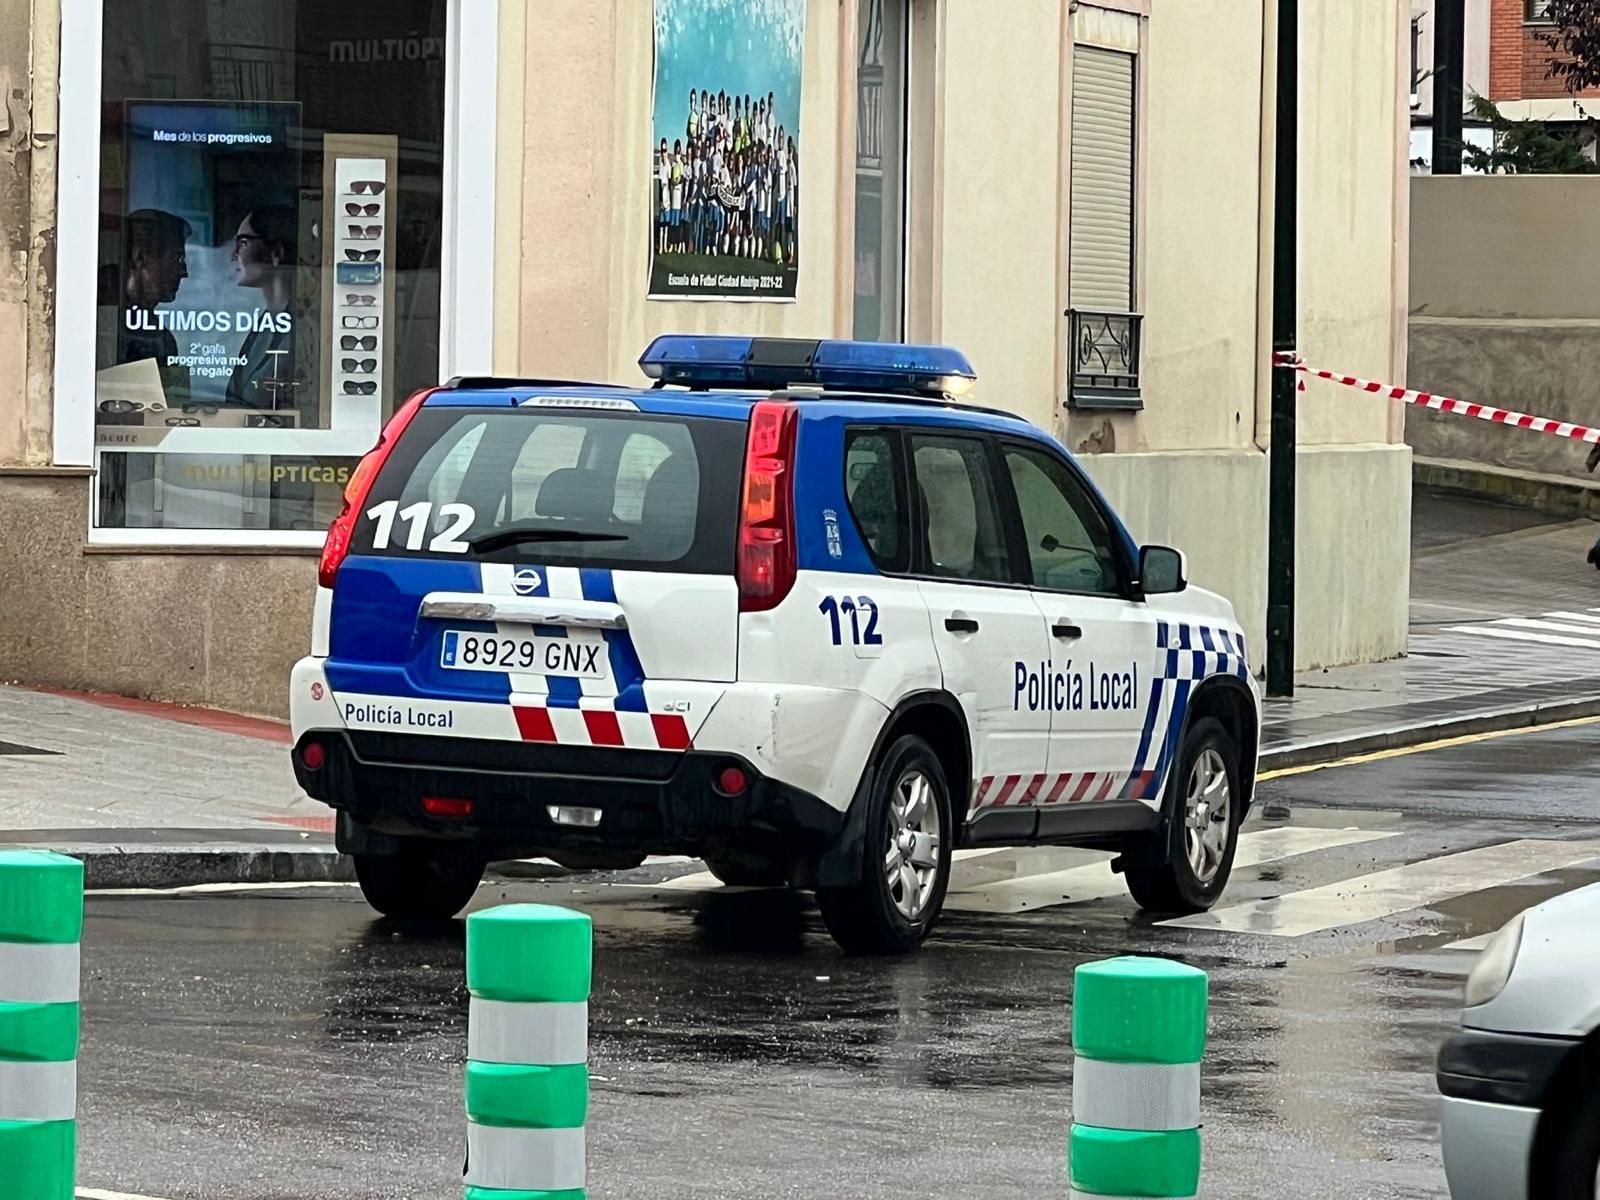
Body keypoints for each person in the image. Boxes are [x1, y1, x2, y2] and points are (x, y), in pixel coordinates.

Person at [225, 206, 298, 409]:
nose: (234, 255)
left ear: (276, 253)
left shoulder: (306, 331)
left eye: (243, 243)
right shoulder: (264, 327)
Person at [117, 208, 193, 400]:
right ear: (140, 257)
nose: (184, 272)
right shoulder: (102, 322)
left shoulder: (160, 336)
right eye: (177, 258)